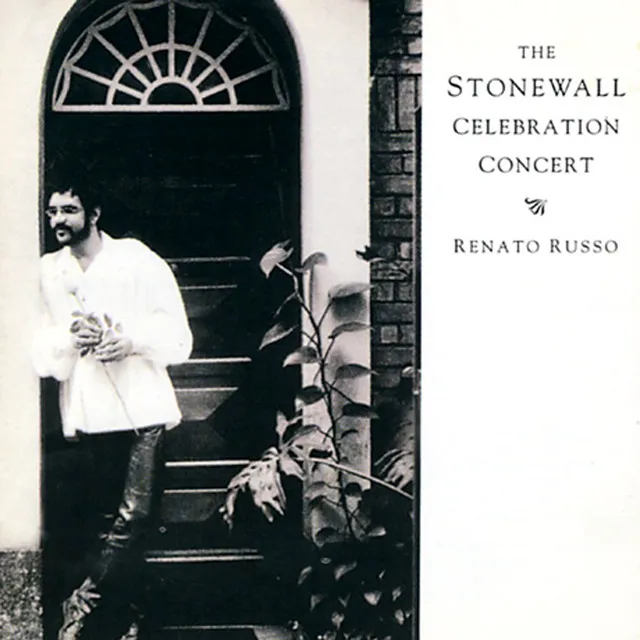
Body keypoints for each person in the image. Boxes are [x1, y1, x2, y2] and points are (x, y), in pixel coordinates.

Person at [32, 180, 193, 639]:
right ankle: (126, 619)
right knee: (110, 525)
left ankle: (83, 603)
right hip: (90, 413)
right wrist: (69, 339)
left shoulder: (136, 259)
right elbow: (39, 345)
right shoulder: (50, 271)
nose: (58, 220)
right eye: (52, 211)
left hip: (144, 408)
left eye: (69, 209)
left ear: (95, 213)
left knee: (136, 516)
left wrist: (131, 341)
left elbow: (178, 335)